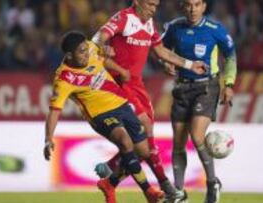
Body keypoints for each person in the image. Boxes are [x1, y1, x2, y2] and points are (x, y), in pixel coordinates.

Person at [91, 0, 207, 201]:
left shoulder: (149, 23)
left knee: (145, 141)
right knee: (144, 128)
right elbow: (99, 36)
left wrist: (189, 65)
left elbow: (161, 51)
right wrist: (102, 47)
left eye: (156, 6)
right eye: (150, 4)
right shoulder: (124, 18)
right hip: (118, 83)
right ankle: (166, 186)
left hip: (137, 85)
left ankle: (110, 179)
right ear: (137, 2)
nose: (153, 9)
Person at [43, 31, 165, 203]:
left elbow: (103, 59)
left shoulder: (92, 48)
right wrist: (48, 138)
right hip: (100, 115)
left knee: (143, 152)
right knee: (125, 141)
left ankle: (109, 183)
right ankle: (148, 191)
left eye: (86, 49)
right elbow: (54, 111)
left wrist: (120, 69)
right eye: (81, 52)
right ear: (69, 55)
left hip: (121, 104)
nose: (87, 54)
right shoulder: (63, 79)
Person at [161, 0, 237, 202]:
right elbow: (161, 49)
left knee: (196, 136)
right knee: (178, 142)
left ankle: (212, 182)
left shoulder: (215, 29)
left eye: (197, 4)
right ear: (182, 7)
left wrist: (228, 84)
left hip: (207, 86)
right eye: (188, 5)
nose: (192, 9)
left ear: (204, 6)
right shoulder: (174, 28)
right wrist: (166, 63)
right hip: (181, 87)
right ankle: (178, 192)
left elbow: (230, 56)